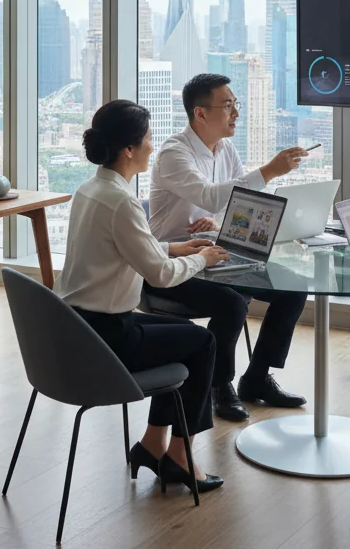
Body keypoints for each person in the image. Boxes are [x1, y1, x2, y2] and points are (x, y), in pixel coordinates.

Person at [55, 100, 229, 494]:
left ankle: (154, 446)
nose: (153, 145)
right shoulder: (121, 201)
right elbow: (161, 276)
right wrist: (201, 259)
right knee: (202, 343)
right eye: (148, 139)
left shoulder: (92, 189)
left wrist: (176, 247)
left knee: (186, 336)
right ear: (129, 149)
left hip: (79, 326)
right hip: (107, 337)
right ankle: (178, 457)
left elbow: (127, 248)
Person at [147, 74, 309, 422]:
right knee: (232, 304)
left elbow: (236, 207)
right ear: (200, 113)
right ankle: (221, 386)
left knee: (292, 288)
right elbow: (208, 195)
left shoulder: (226, 149)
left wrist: (219, 223)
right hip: (170, 261)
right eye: (228, 105)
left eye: (237, 104)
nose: (236, 112)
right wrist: (269, 171)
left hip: (214, 255)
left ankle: (257, 378)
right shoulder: (174, 153)